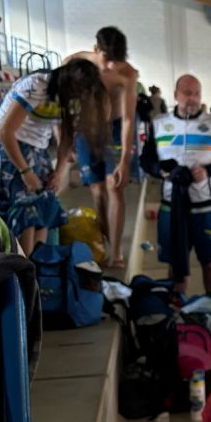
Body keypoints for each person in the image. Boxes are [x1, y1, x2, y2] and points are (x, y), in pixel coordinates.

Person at [0, 60, 109, 256]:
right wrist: (25, 172)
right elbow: (5, 131)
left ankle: (37, 267)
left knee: (44, 208)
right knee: (25, 212)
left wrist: (59, 172)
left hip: (36, 149)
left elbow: (66, 138)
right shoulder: (36, 85)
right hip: (8, 147)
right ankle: (23, 269)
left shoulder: (75, 98)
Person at [151, 74, 211, 294]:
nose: (193, 98)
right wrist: (163, 170)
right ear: (176, 94)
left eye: (197, 93)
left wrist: (208, 171)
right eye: (188, 93)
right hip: (172, 206)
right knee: (176, 265)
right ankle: (178, 316)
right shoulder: (159, 125)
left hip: (207, 206)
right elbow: (146, 160)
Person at [66, 26, 139, 269]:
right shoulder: (79, 60)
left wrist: (124, 161)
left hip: (115, 130)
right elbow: (61, 76)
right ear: (96, 50)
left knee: (114, 187)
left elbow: (129, 119)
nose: (110, 67)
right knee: (97, 190)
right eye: (107, 60)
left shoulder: (127, 74)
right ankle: (105, 242)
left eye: (116, 61)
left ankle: (116, 252)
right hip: (87, 130)